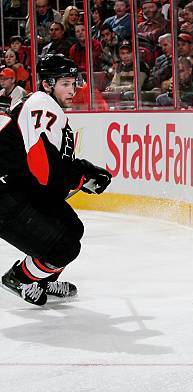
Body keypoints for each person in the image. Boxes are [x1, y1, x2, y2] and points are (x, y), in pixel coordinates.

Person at [0, 55, 112, 306]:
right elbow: (45, 170)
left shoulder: (43, 106)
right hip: (6, 196)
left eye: (74, 83)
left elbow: (50, 163)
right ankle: (19, 277)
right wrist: (82, 177)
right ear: (48, 84)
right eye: (65, 84)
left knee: (72, 228)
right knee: (63, 248)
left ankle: (43, 280)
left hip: (19, 189)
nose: (72, 90)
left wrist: (84, 173)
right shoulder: (41, 104)